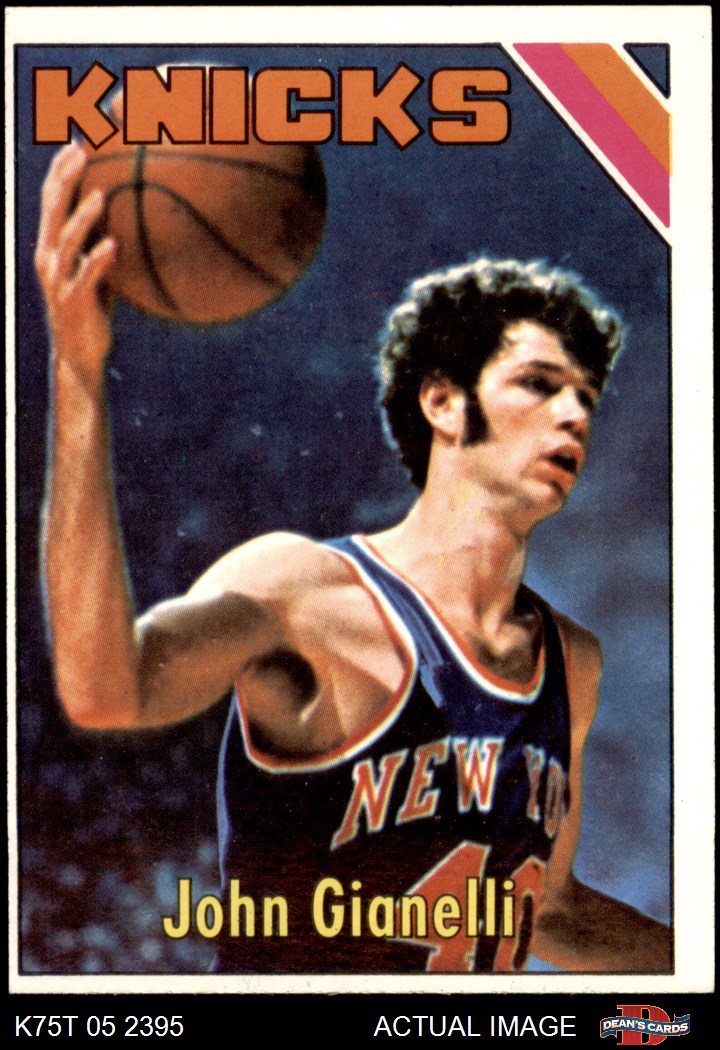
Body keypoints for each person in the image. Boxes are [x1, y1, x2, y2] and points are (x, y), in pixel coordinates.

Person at [37, 142, 672, 974]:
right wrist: (78, 372)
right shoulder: (301, 592)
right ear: (443, 403)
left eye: (585, 394)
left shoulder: (570, 664)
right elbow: (104, 692)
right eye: (539, 384)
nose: (574, 415)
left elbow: (553, 913)